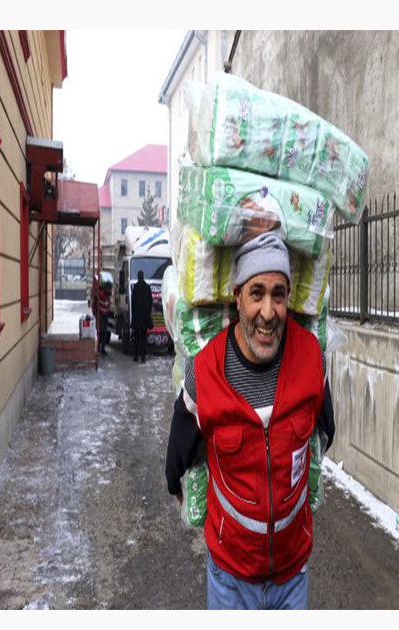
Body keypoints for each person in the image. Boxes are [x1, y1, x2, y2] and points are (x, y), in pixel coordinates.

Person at [164, 232, 334, 610]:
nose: (268, 312)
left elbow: (326, 433)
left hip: (292, 575)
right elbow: (175, 463)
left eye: (279, 294)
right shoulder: (204, 373)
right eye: (257, 293)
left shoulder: (312, 359)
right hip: (230, 579)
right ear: (237, 296)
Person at [131, 270, 153, 363]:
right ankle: (143, 357)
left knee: (137, 338)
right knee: (143, 338)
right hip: (144, 318)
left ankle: (136, 356)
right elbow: (150, 303)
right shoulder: (147, 287)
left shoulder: (135, 287)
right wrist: (148, 315)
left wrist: (133, 316)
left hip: (137, 317)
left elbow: (133, 303)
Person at [96, 281, 112, 356]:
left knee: (104, 331)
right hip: (101, 315)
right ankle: (99, 347)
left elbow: (108, 304)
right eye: (108, 289)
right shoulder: (101, 294)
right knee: (101, 331)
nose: (109, 290)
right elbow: (99, 303)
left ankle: (102, 348)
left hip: (105, 315)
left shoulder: (108, 295)